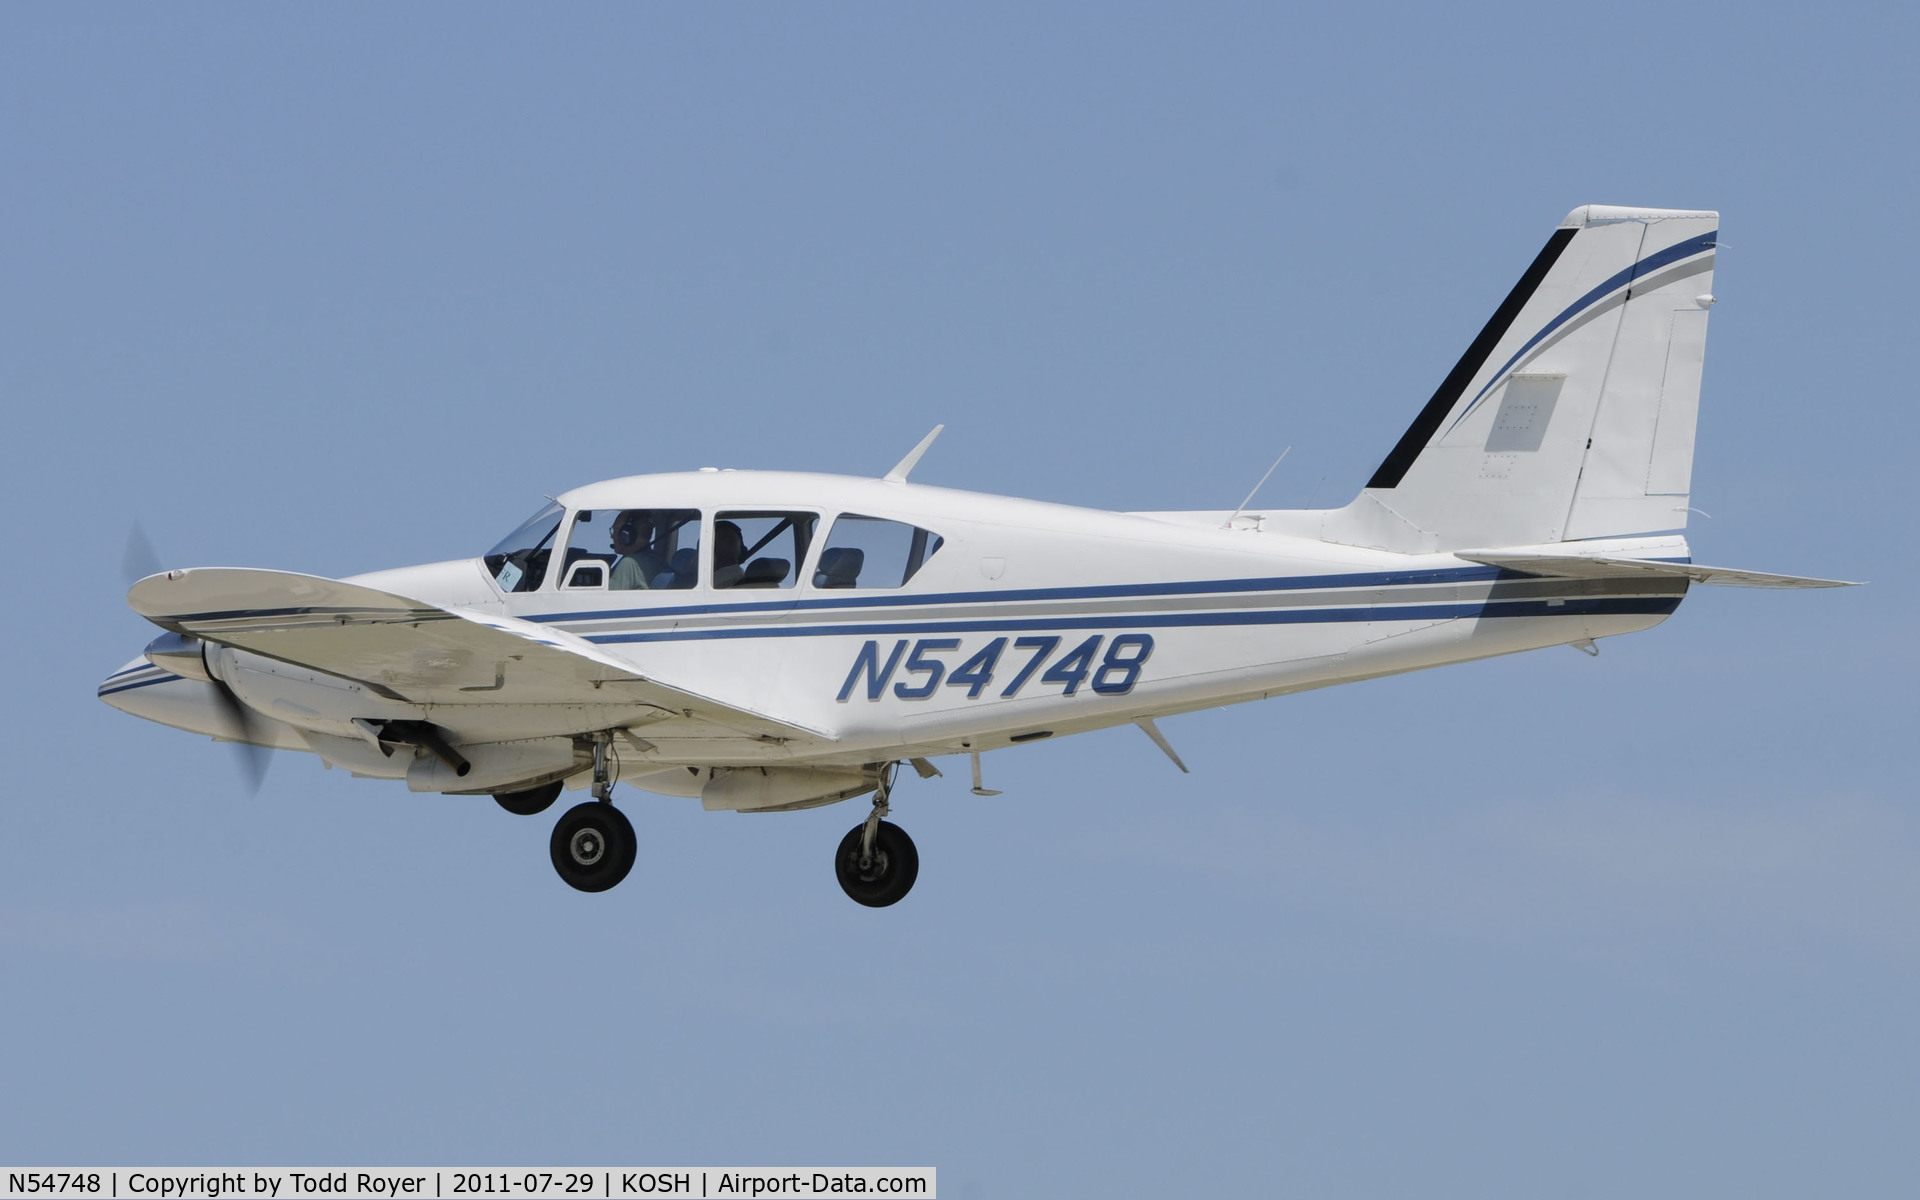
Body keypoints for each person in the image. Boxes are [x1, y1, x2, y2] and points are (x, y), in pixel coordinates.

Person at [609, 510, 667, 590]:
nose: (612, 537)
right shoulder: (658, 561)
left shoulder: (629, 564)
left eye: (615, 530)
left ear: (626, 534)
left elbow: (608, 600)